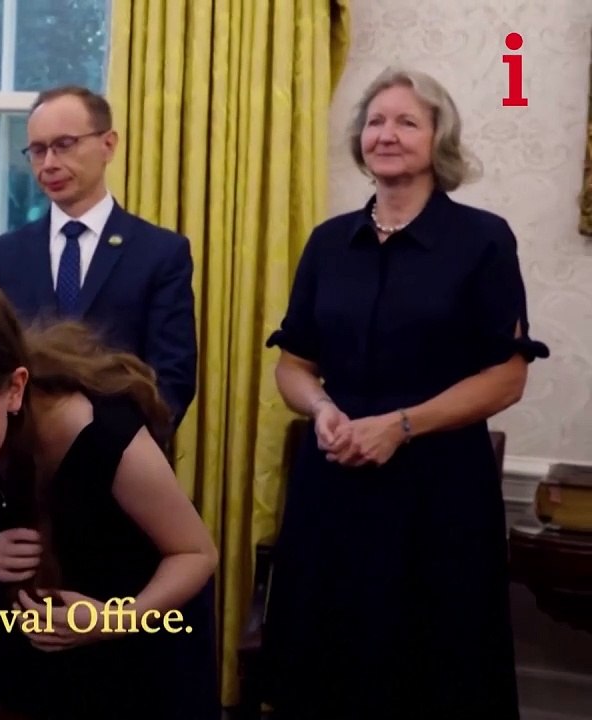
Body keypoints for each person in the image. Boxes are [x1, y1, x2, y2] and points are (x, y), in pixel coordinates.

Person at [262, 67, 549, 719]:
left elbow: (508, 375)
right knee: (323, 671)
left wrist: (401, 425)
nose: (386, 134)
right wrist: (323, 407)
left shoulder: (482, 239)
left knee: (432, 673)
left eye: (406, 121)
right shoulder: (329, 242)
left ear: (438, 139)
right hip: (333, 484)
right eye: (375, 121)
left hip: (438, 492)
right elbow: (294, 366)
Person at [0, 281, 220, 719]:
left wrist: (114, 620)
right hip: (33, 659)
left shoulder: (104, 434)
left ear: (13, 389)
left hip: (140, 657)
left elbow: (196, 553)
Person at [0, 85, 198, 427]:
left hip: (125, 457)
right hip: (24, 453)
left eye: (64, 145)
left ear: (108, 145)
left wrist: (124, 448)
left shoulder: (160, 253)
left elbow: (173, 377)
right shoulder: (5, 255)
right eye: (38, 150)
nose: (49, 164)